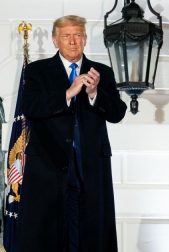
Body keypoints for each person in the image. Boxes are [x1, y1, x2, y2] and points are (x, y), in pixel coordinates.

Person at [16, 15, 127, 252]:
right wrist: (68, 92)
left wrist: (94, 93)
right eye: (66, 36)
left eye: (78, 35)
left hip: (90, 168)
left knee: (90, 234)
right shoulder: (37, 71)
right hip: (48, 167)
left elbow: (118, 113)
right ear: (55, 41)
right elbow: (31, 108)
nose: (73, 41)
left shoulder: (102, 73)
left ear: (85, 39)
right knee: (47, 235)